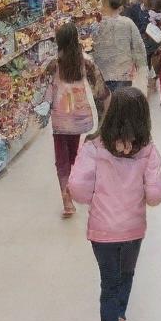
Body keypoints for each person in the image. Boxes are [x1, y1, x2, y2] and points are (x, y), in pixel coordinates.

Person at [68, 87, 161, 321]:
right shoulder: (147, 149)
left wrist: (95, 196)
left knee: (108, 284)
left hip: (102, 231)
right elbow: (156, 193)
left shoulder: (94, 147)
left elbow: (77, 188)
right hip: (133, 229)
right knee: (127, 276)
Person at [41, 22, 109, 217]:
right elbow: (101, 91)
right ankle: (83, 189)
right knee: (75, 156)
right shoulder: (86, 61)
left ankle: (67, 200)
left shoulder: (54, 64)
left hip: (60, 119)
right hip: (79, 117)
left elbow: (43, 90)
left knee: (62, 161)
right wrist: (104, 114)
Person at [92, 0, 147, 94]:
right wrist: (141, 67)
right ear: (121, 8)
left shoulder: (98, 25)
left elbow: (94, 46)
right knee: (123, 98)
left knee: (111, 97)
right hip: (124, 69)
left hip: (106, 70)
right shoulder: (128, 23)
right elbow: (138, 45)